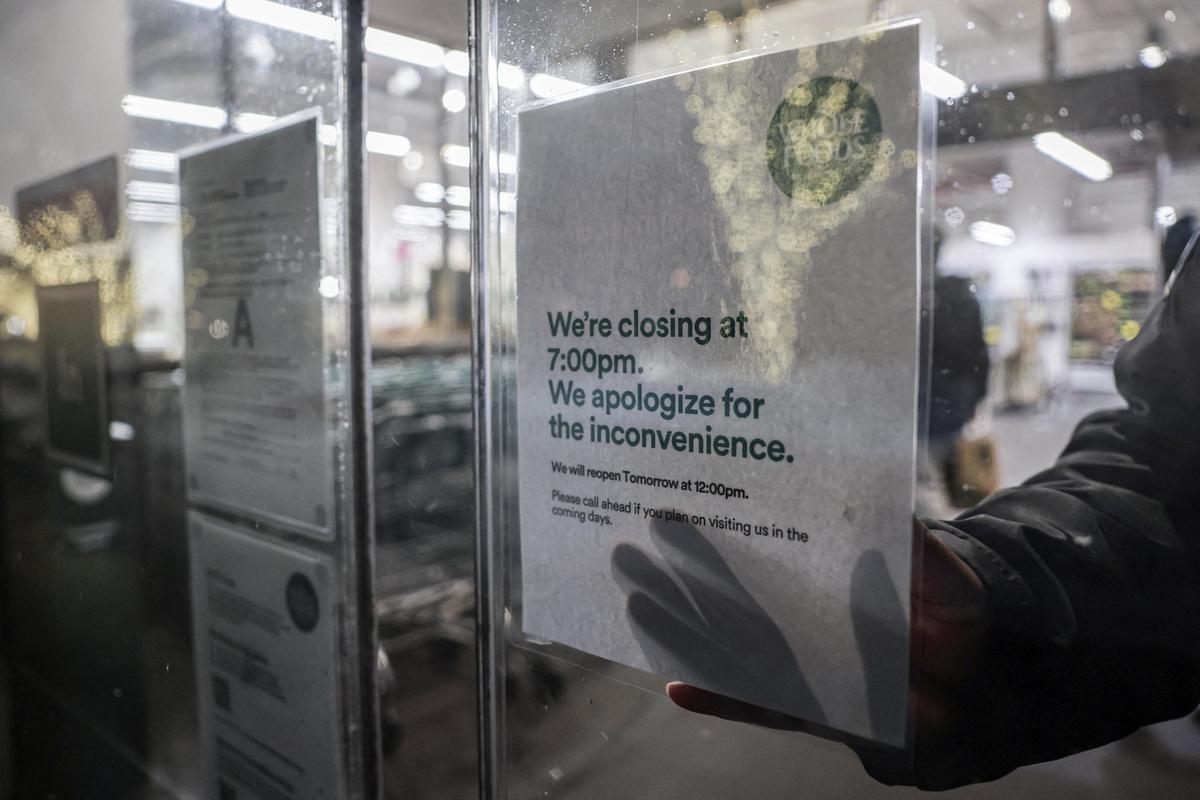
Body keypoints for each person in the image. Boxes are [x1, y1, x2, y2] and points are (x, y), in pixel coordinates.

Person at [668, 230, 1200, 790]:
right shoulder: (921, 292)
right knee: (915, 503)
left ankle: (931, 544)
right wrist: (995, 585)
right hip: (920, 414)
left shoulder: (914, 292)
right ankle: (931, 552)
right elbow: (1166, 455)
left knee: (920, 490)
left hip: (924, 411)